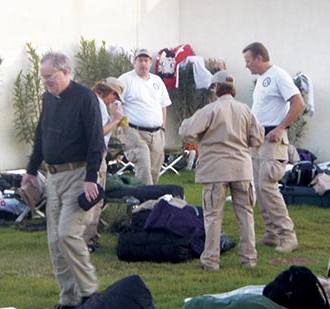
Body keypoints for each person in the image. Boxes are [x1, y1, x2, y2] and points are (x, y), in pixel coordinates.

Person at [22, 51, 105, 309]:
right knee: (55, 242)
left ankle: (90, 293)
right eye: (43, 77)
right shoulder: (49, 98)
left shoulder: (85, 98)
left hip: (79, 176)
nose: (46, 82)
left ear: (65, 72)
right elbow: (41, 135)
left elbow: (96, 142)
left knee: (68, 233)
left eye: (49, 76)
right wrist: (31, 170)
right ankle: (68, 299)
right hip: (54, 177)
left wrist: (91, 179)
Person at [179, 71, 264, 271]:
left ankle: (210, 261)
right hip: (242, 169)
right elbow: (258, 138)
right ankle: (249, 259)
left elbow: (186, 132)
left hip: (215, 169)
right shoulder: (245, 110)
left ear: (215, 88)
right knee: (246, 215)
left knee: (212, 216)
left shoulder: (211, 109)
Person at [242, 42, 304, 253]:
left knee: (268, 186)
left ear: (259, 58)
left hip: (273, 141)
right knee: (259, 188)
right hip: (258, 140)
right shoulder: (261, 80)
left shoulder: (279, 76)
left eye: (248, 61)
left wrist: (280, 128)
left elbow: (298, 103)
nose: (247, 66)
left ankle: (288, 235)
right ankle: (272, 233)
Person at [82, 77, 125, 252]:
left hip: (85, 155)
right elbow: (98, 133)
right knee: (95, 199)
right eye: (115, 98)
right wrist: (115, 120)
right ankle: (87, 241)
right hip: (95, 155)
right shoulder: (98, 104)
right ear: (111, 93)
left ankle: (84, 238)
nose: (113, 102)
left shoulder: (87, 100)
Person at [118, 48, 172, 185]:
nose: (143, 64)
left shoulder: (157, 81)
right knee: (143, 164)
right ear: (134, 62)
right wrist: (124, 127)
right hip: (134, 131)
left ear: (150, 63)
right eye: (140, 60)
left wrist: (163, 128)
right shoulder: (126, 80)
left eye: (146, 60)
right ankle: (143, 200)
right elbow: (115, 105)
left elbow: (163, 105)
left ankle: (149, 200)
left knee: (154, 170)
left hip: (157, 133)